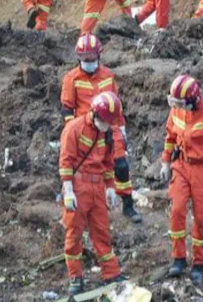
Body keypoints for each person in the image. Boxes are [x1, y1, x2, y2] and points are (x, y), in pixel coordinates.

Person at [60, 34, 142, 223]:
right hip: (85, 130)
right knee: (85, 169)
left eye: (92, 58)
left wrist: (121, 129)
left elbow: (116, 104)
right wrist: (72, 134)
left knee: (121, 166)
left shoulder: (108, 76)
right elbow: (67, 109)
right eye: (85, 59)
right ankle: (81, 204)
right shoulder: (71, 79)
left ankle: (127, 204)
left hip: (110, 128)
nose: (89, 62)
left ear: (99, 56)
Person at [160, 75, 203, 286]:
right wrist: (165, 162)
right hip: (181, 166)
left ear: (193, 99)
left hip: (202, 169)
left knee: (201, 217)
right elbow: (170, 136)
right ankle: (179, 258)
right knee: (177, 209)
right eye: (176, 103)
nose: (178, 107)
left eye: (181, 103)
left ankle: (199, 263)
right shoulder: (177, 110)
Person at [59, 92, 126, 295]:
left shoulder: (106, 133)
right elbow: (66, 162)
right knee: (74, 234)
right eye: (106, 121)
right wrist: (68, 191)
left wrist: (110, 187)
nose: (109, 125)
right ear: (95, 114)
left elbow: (107, 162)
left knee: (102, 232)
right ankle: (76, 277)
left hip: (97, 187)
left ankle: (111, 273)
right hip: (78, 187)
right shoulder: (74, 128)